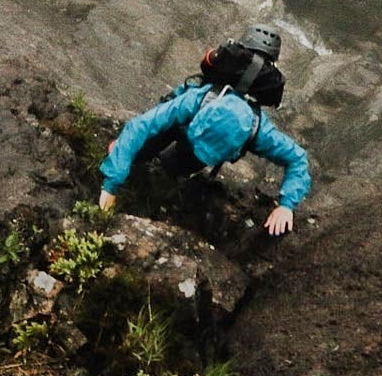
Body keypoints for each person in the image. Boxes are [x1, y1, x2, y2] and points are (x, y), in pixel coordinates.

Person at [97, 24, 311, 235]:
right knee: (139, 148)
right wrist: (112, 182)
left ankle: (161, 172)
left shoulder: (258, 131)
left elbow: (298, 160)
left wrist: (286, 205)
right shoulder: (196, 99)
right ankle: (130, 157)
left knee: (169, 170)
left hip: (190, 143)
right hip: (180, 123)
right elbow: (141, 125)